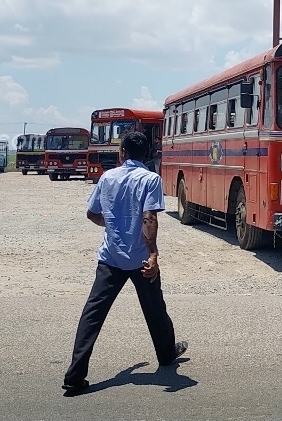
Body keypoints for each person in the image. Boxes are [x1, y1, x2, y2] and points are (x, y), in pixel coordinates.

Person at [62, 131, 186, 395]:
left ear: (122, 153)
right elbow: (149, 218)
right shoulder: (151, 179)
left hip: (111, 258)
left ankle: (74, 376)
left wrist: (114, 225)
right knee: (154, 308)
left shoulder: (107, 177)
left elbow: (92, 214)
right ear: (146, 154)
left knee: (93, 315)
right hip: (141, 259)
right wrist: (153, 255)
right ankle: (166, 355)